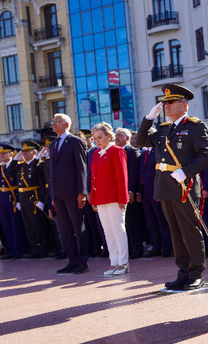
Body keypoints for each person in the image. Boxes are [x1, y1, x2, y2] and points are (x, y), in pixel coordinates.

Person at [138, 85, 208, 290]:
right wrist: (148, 119)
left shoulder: (195, 126)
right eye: (165, 103)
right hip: (164, 186)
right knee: (175, 232)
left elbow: (206, 155)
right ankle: (183, 272)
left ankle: (197, 273)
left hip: (184, 186)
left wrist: (185, 172)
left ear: (184, 105)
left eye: (171, 103)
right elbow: (140, 141)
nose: (167, 106)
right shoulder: (162, 128)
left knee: (190, 230)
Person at [49, 113, 90, 275]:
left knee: (78, 227)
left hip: (73, 192)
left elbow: (82, 168)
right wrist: (52, 196)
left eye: (57, 121)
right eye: (53, 121)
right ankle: (72, 260)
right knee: (65, 229)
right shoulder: (53, 144)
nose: (54, 124)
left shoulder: (75, 141)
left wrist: (82, 192)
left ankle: (82, 262)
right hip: (58, 194)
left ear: (66, 124)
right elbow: (52, 172)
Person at [90, 122, 130, 276]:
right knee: (107, 231)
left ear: (109, 136)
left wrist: (123, 198)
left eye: (100, 137)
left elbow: (122, 176)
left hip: (114, 197)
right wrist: (93, 199)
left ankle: (123, 263)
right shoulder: (95, 153)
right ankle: (113, 261)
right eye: (95, 138)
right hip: (100, 198)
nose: (97, 141)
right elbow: (93, 178)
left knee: (118, 229)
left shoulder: (117, 151)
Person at [0, 145, 27, 260]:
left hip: (13, 198)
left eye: (4, 153)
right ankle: (10, 250)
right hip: (2, 200)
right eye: (0, 154)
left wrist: (18, 200)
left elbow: (19, 183)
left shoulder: (17, 166)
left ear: (11, 154)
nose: (1, 155)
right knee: (6, 226)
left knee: (16, 226)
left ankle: (19, 249)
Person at [137, 130, 173, 258]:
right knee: (151, 221)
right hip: (145, 192)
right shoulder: (143, 153)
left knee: (161, 220)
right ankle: (156, 246)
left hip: (156, 191)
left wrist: (160, 191)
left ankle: (167, 247)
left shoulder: (158, 151)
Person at [14, 141, 50, 259]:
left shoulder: (38, 164)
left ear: (34, 152)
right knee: (29, 226)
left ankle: (43, 249)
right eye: (22, 151)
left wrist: (40, 199)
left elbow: (40, 181)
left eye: (26, 151)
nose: (23, 154)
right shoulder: (21, 166)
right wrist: (15, 159)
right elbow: (11, 174)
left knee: (38, 225)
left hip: (34, 198)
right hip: (23, 199)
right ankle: (34, 249)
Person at [116, 128, 145, 259]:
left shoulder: (132, 151)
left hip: (130, 193)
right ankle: (128, 250)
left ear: (127, 138)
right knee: (124, 223)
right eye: (116, 135)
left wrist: (131, 190)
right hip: (119, 193)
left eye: (120, 136)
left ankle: (137, 249)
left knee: (133, 222)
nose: (116, 138)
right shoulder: (116, 151)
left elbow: (133, 172)